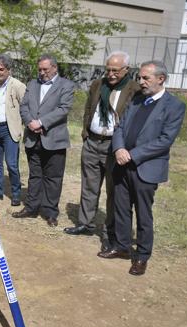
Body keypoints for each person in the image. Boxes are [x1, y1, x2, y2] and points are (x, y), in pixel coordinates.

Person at [98, 60, 185, 276]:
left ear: (161, 79)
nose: (141, 82)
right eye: (140, 78)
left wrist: (132, 155)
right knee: (121, 208)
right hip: (122, 164)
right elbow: (119, 127)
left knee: (143, 214)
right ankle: (122, 246)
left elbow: (165, 140)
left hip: (146, 168)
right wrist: (118, 149)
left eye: (146, 78)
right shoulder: (137, 100)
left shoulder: (174, 106)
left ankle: (142, 256)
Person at [64, 51, 140, 239]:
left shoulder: (134, 90)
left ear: (127, 69)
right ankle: (86, 224)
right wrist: (85, 133)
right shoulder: (98, 84)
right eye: (108, 70)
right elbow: (89, 108)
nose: (111, 74)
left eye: (116, 70)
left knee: (114, 191)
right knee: (89, 186)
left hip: (114, 147)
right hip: (92, 142)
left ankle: (109, 231)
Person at [13, 54, 74, 227]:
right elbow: (24, 106)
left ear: (55, 68)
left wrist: (41, 123)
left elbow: (63, 109)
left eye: (45, 69)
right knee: (35, 175)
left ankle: (50, 212)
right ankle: (31, 207)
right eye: (39, 69)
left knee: (53, 177)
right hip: (33, 138)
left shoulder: (66, 85)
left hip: (54, 139)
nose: (41, 72)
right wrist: (30, 123)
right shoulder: (32, 84)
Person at [0, 54, 26, 206]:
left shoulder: (17, 85)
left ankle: (16, 194)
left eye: (2, 69)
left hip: (9, 130)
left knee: (11, 164)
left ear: (9, 70)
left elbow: (25, 106)